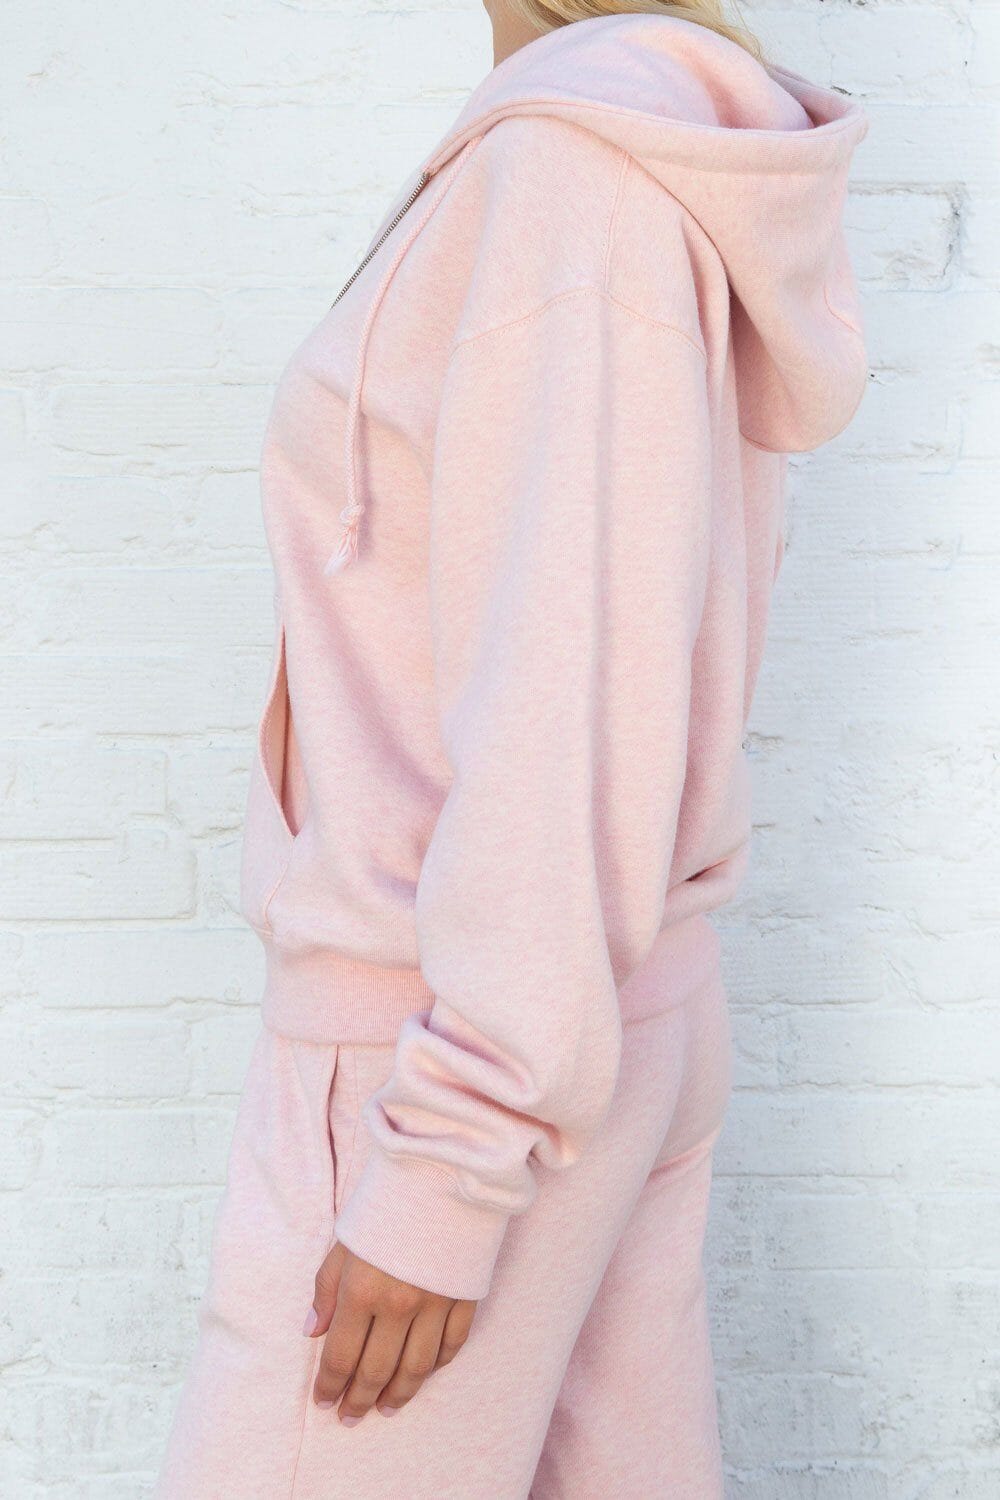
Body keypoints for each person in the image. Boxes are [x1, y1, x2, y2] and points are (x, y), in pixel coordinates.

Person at [154, 2, 868, 1495]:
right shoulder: (607, 150)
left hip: (450, 1049)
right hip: (585, 1016)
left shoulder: (570, 179)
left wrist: (450, 1158)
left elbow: (572, 678)